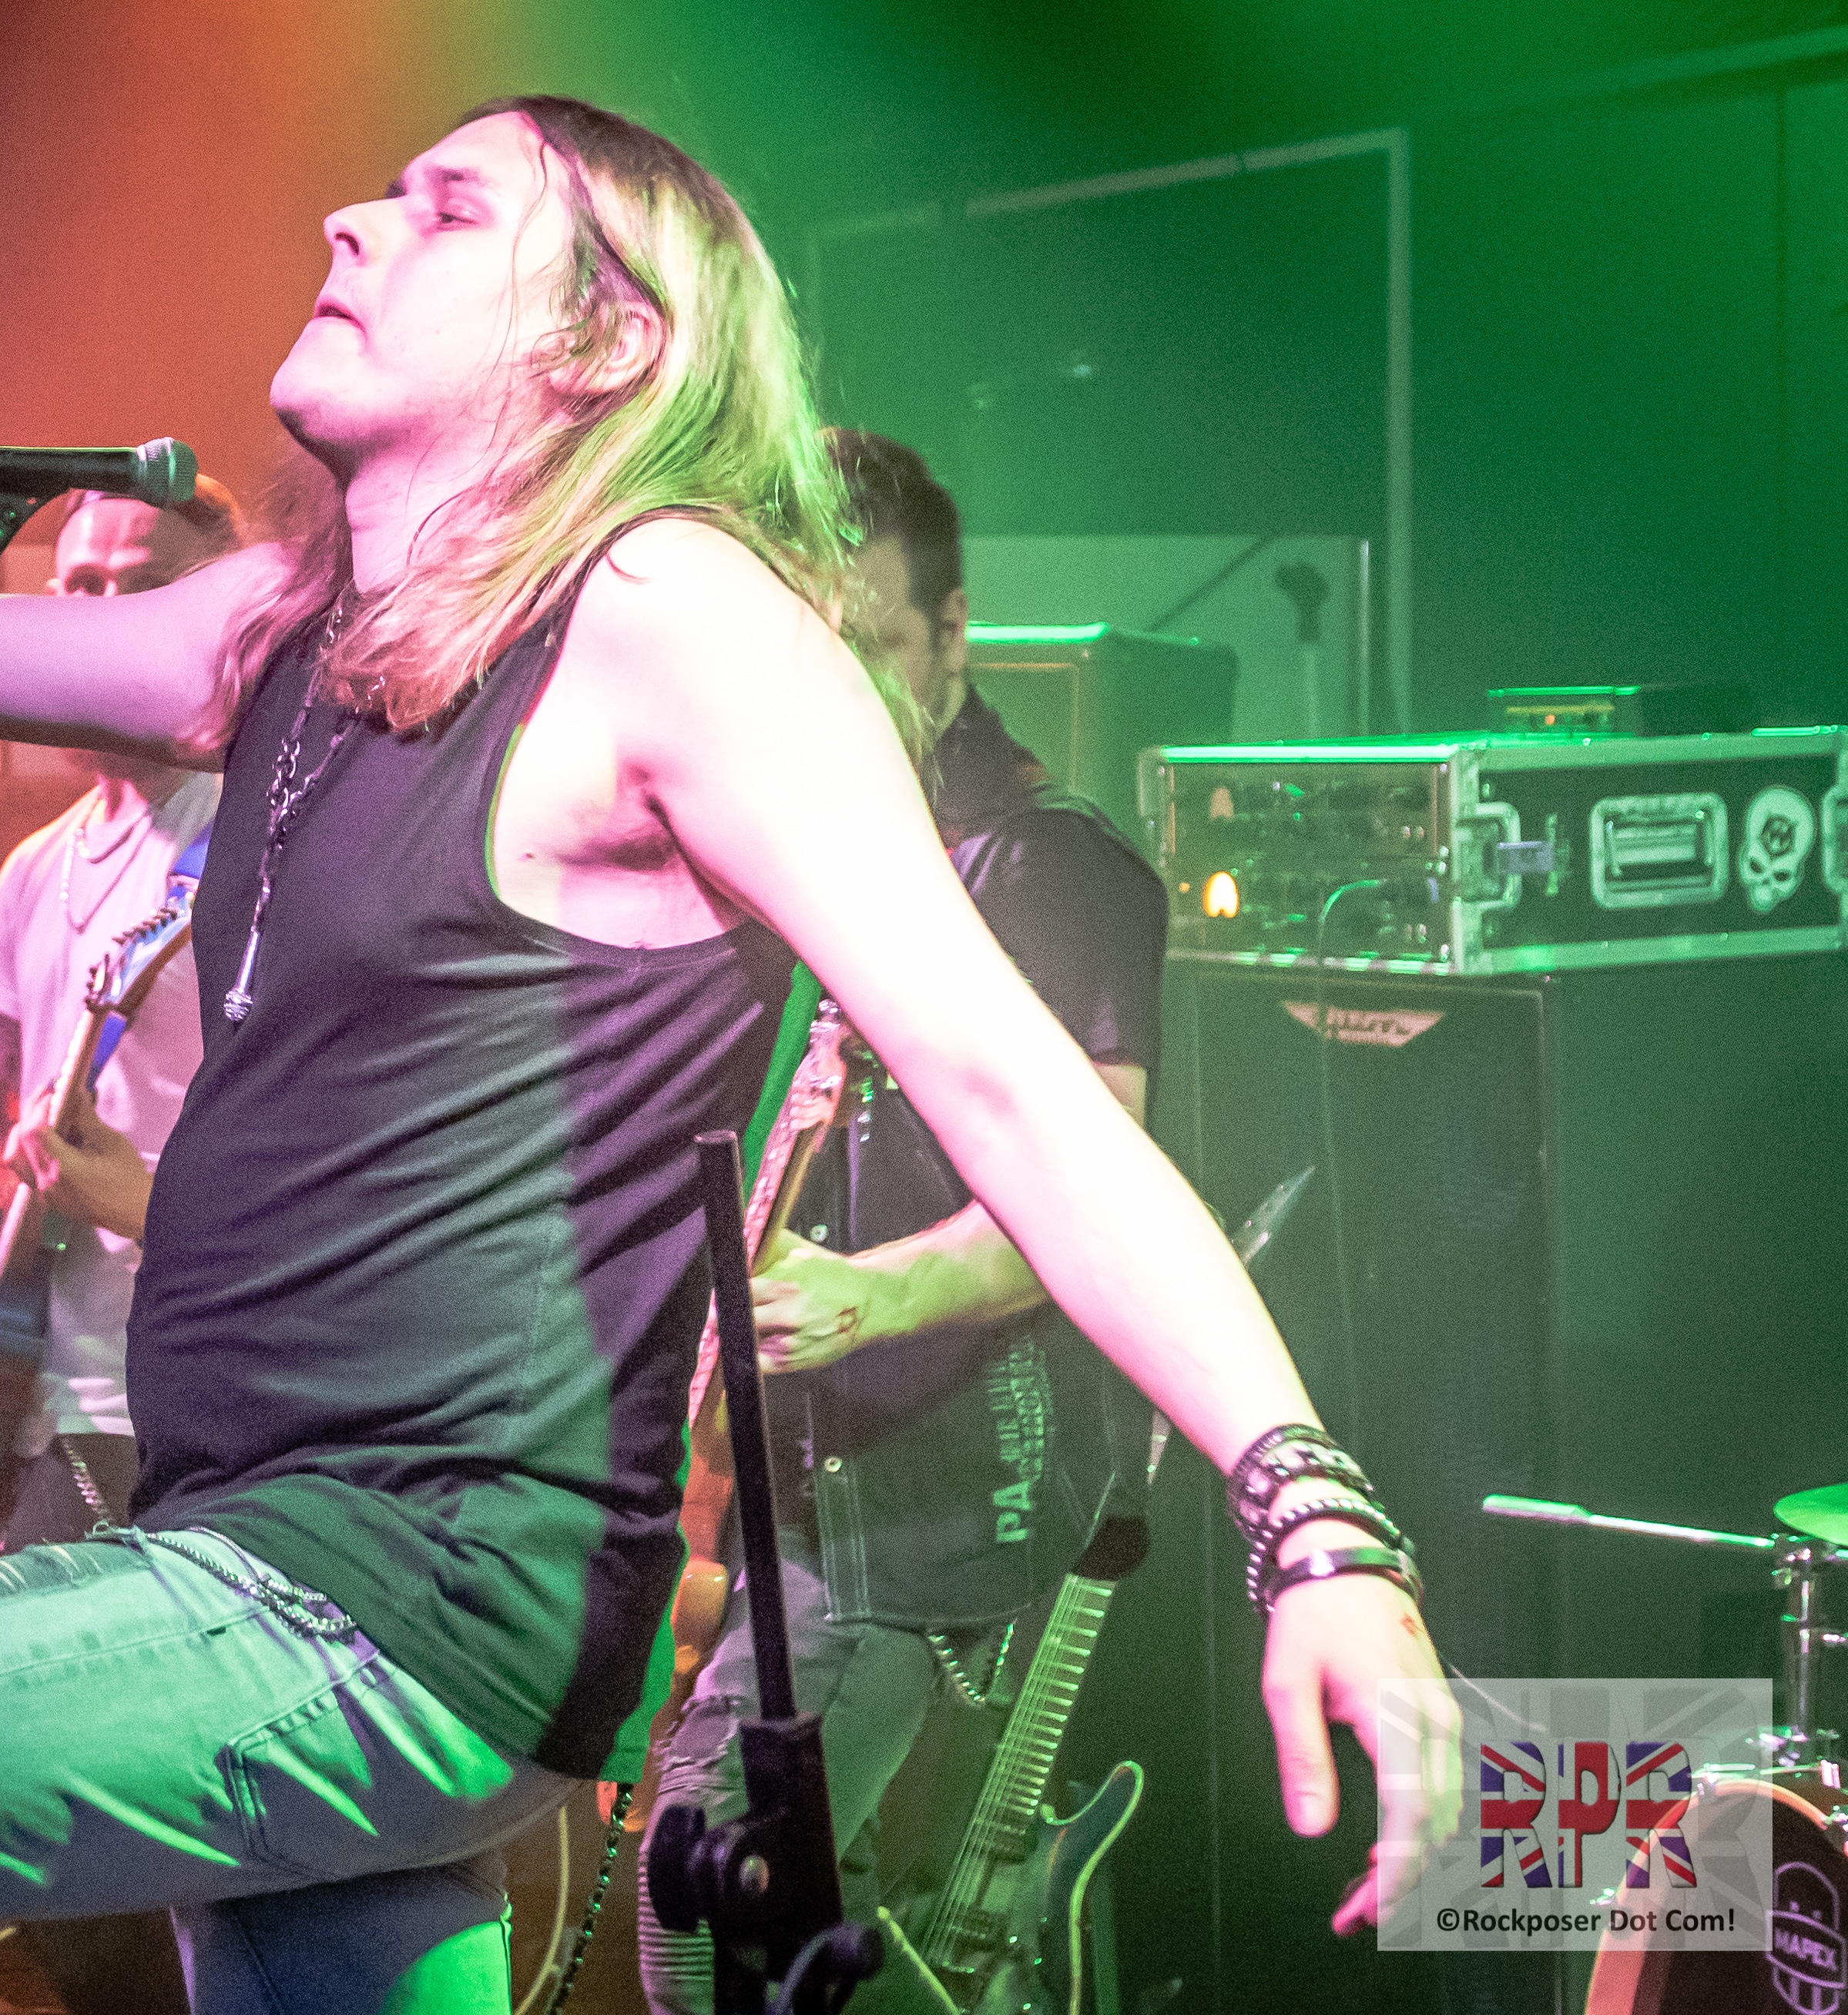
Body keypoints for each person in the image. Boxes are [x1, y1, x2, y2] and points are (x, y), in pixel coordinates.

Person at [0, 95, 1455, 2015]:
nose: (351, 218)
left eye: (446, 209)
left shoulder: (667, 618)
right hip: (299, 1569)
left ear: (604, 343)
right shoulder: (302, 626)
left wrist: (1317, 1529)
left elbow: (1016, 1088)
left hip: (381, 1602)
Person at [634, 432, 1170, 2011]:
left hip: (930, 1494)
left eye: (873, 646)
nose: (842, 694)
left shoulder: (1054, 868)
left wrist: (868, 1296)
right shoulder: (777, 851)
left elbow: (1089, 1201)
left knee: (714, 1918)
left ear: (952, 636)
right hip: (784, 1493)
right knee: (817, 1916)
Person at [0, 486, 237, 2015]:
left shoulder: (255, 846)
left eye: (136, 584)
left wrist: (144, 1194)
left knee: (99, 1818)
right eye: (70, 584)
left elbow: (351, 1148)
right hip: (35, 1388)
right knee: (50, 1828)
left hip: (188, 1402)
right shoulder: (39, 865)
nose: (91, 616)